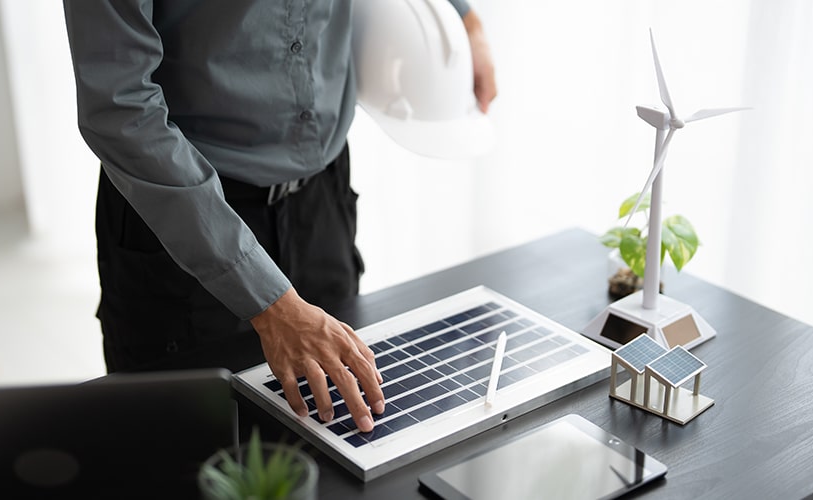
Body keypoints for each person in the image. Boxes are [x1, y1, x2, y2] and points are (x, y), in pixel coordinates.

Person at [62, 0, 497, 434]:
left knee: (340, 436)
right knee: (185, 445)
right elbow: (121, 108)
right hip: (185, 223)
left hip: (321, 200)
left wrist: (462, 20)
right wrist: (270, 301)